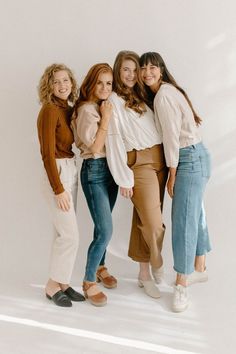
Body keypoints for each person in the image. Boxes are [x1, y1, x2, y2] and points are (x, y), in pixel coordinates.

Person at [139, 52, 211, 312]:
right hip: (198, 155)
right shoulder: (169, 90)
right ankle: (200, 267)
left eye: (152, 67)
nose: (148, 72)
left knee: (182, 222)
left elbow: (170, 137)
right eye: (143, 68)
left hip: (188, 159)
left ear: (161, 69)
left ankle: (181, 284)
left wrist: (172, 172)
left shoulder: (163, 96)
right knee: (194, 214)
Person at [105, 51, 168, 299]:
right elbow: (114, 141)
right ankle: (157, 261)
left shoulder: (141, 96)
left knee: (143, 219)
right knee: (154, 223)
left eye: (135, 69)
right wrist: (124, 177)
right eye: (126, 70)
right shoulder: (113, 100)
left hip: (159, 159)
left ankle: (143, 274)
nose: (132, 74)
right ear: (118, 72)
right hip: (139, 162)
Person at [37, 63, 85, 307]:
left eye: (66, 80)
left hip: (70, 169)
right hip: (56, 172)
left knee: (61, 233)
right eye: (56, 82)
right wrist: (58, 188)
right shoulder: (48, 110)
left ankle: (63, 283)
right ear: (49, 86)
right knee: (70, 235)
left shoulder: (67, 109)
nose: (62, 85)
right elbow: (46, 153)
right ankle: (52, 285)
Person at [71, 63, 118, 307]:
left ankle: (100, 266)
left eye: (109, 83)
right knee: (106, 230)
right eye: (100, 82)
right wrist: (107, 118)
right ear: (91, 83)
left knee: (103, 226)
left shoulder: (102, 105)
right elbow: (96, 147)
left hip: (110, 171)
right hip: (95, 171)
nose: (104, 88)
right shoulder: (88, 110)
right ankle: (89, 281)